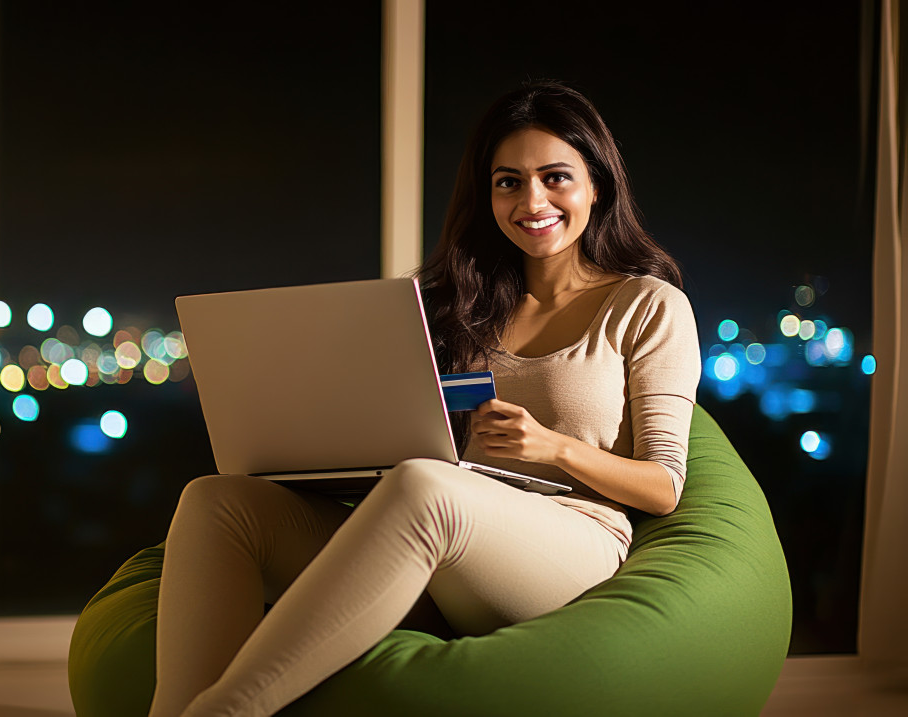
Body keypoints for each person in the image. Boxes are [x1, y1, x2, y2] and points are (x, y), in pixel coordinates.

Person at [147, 80, 701, 717]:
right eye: (508, 181)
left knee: (425, 487)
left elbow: (664, 485)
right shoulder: (455, 306)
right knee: (217, 501)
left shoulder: (647, 305)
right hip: (425, 540)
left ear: (597, 186)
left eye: (555, 177)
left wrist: (556, 448)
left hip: (568, 545)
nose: (532, 200)